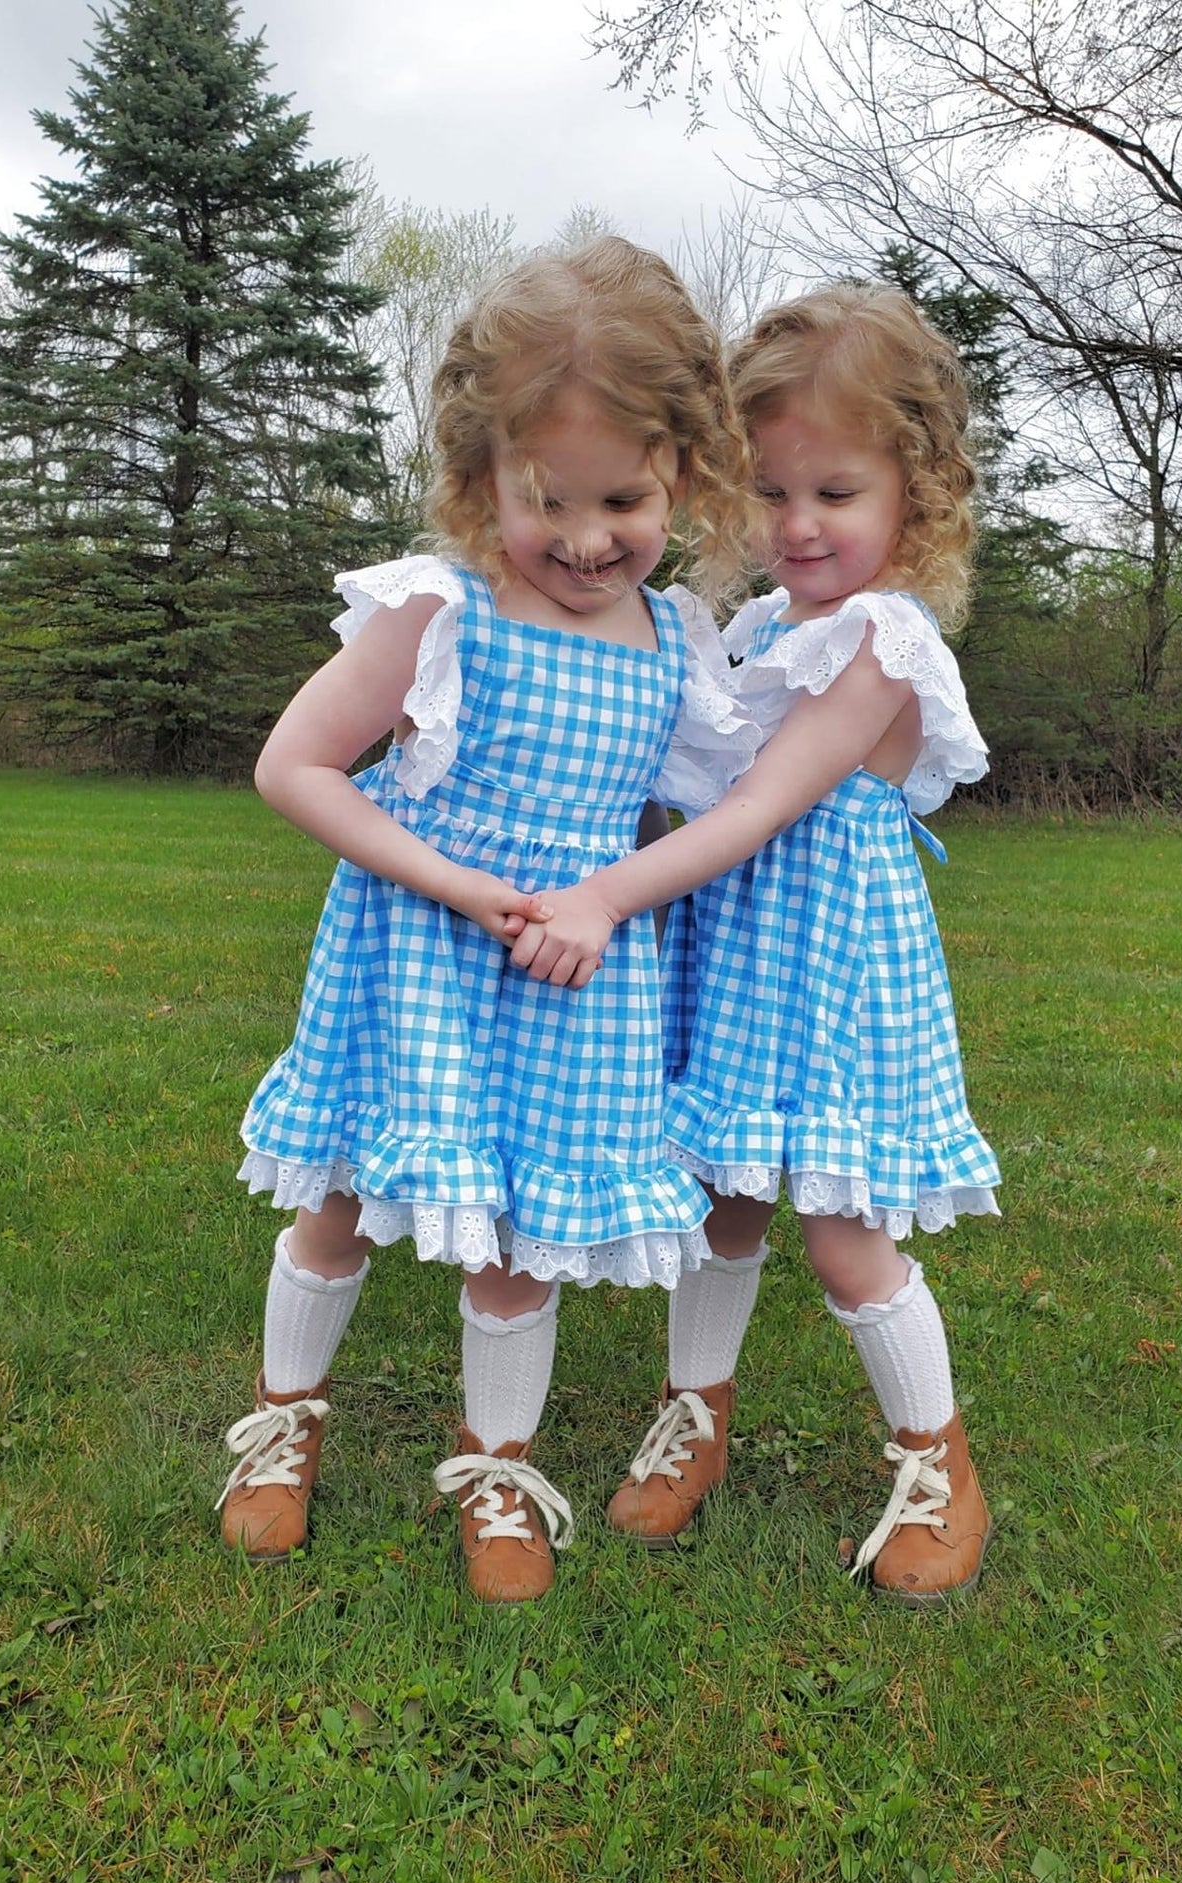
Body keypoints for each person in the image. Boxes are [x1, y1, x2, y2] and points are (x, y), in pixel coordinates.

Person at [216, 238, 759, 1602]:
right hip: (419, 953)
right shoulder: (437, 610)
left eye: (623, 499)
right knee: (343, 1191)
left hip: (577, 975)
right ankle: (284, 1421)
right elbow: (294, 767)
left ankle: (496, 1464)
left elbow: (701, 812)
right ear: (481, 477)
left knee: (525, 1227)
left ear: (682, 471)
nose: (585, 539)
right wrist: (454, 882)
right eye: (545, 499)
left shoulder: (676, 642)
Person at [507, 284, 1000, 1604]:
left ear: (916, 490)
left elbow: (760, 802)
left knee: (840, 1228)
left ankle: (935, 1464)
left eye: (834, 493)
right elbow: (666, 756)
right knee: (719, 1195)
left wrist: (607, 895)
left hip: (828, 955)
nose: (796, 526)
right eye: (769, 492)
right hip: (735, 945)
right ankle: (694, 1416)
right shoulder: (757, 626)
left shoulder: (884, 643)